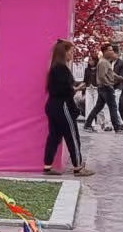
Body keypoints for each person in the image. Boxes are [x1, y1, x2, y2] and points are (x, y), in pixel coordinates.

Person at [40, 38, 93, 176]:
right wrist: (77, 88)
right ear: (64, 53)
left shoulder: (54, 68)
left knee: (54, 136)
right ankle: (78, 167)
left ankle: (47, 166)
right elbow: (65, 90)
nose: (72, 55)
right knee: (72, 136)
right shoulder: (62, 69)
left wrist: (74, 86)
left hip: (52, 105)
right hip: (63, 106)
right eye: (70, 52)